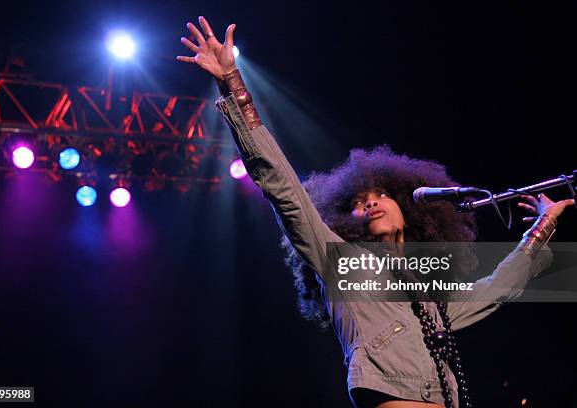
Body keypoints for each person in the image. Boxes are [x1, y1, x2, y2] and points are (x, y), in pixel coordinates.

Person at [177, 16, 575, 408]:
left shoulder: (431, 296)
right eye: (356, 202)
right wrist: (232, 82)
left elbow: (496, 290)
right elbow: (281, 187)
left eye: (382, 193)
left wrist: (541, 227)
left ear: (410, 210)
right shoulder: (340, 263)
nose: (369, 202)